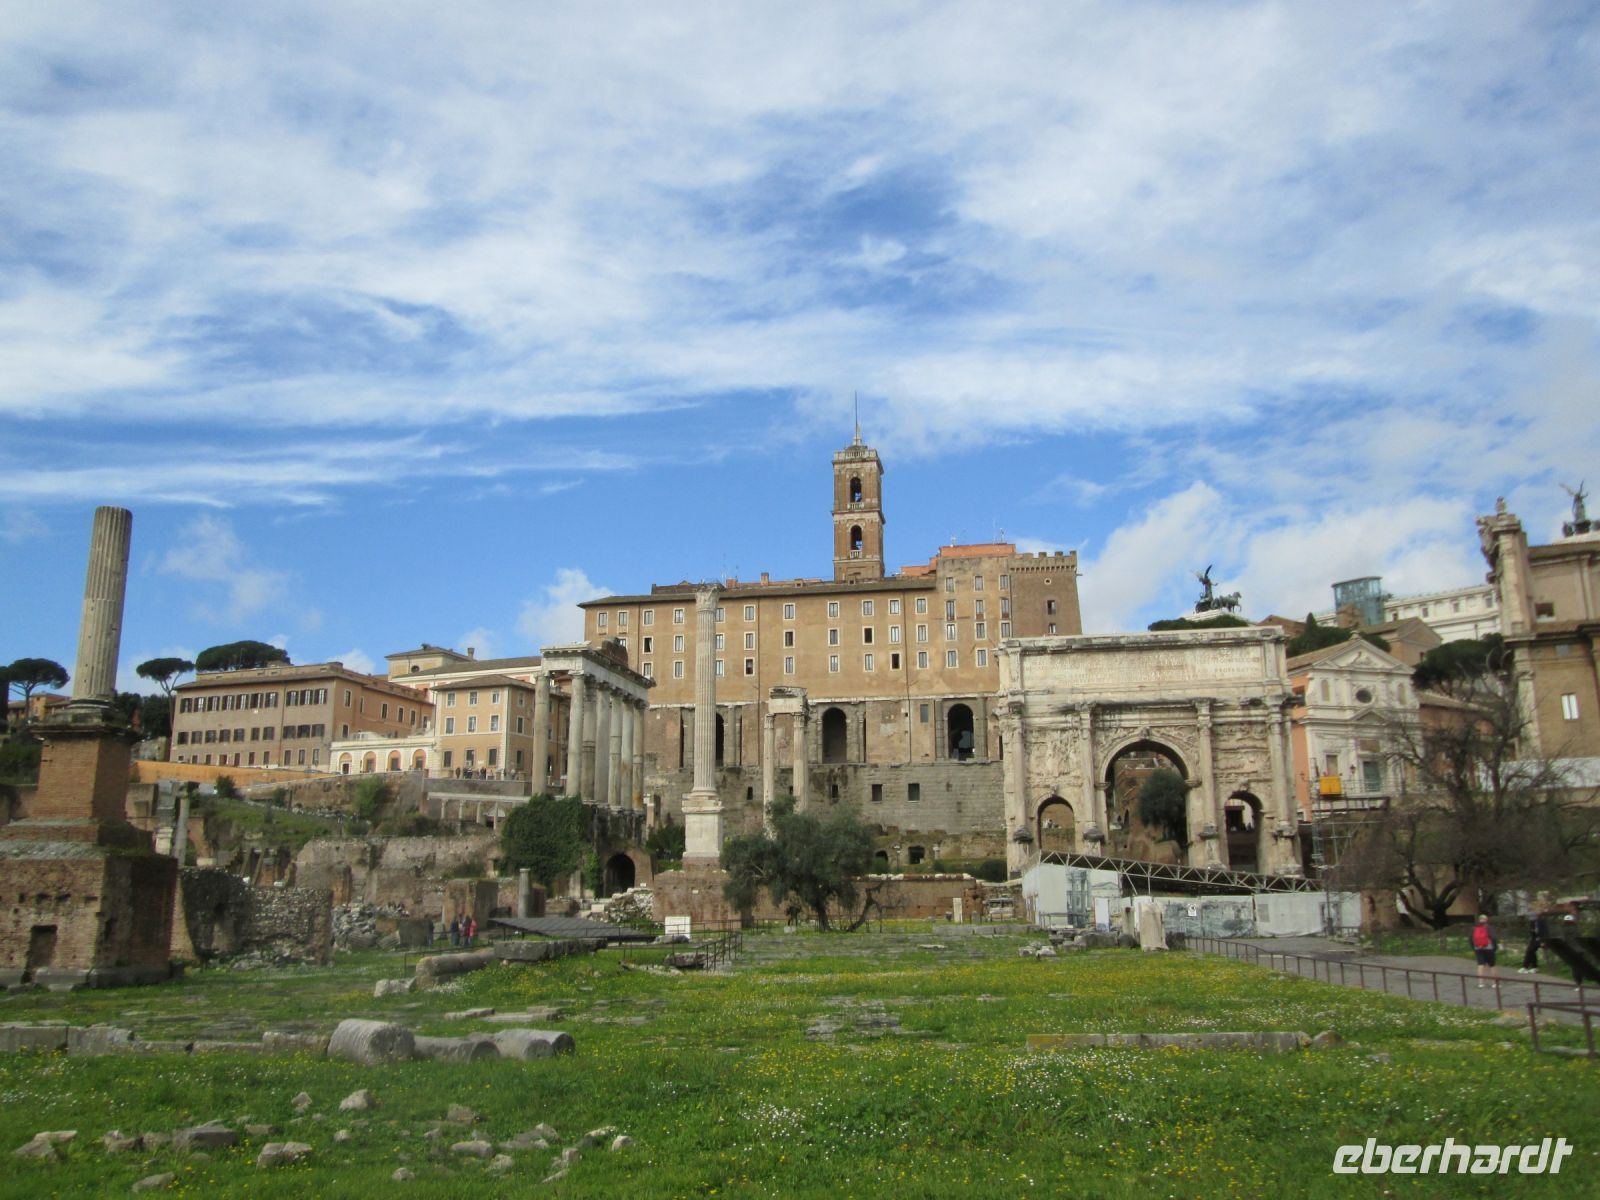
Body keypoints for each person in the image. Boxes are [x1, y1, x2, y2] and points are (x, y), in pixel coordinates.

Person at [1471, 914, 1499, 987]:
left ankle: (1481, 983)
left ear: (1479, 920)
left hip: (1478, 948)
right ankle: (1494, 983)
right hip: (1488, 947)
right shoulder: (1489, 927)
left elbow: (1470, 939)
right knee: (1492, 965)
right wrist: (1495, 947)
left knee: (1480, 965)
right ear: (1486, 920)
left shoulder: (1474, 928)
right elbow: (1494, 937)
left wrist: (1474, 947)